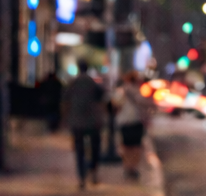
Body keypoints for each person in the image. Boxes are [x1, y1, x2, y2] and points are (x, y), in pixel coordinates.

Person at [63, 58, 105, 189]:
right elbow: (101, 96)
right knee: (95, 147)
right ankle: (93, 172)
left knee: (79, 150)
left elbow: (66, 100)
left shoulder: (73, 83)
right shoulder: (92, 83)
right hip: (92, 121)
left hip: (77, 122)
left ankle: (81, 178)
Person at [114, 70, 153, 179]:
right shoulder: (138, 91)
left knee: (126, 147)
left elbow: (115, 105)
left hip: (124, 122)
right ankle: (133, 167)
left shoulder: (121, 91)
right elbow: (146, 104)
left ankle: (127, 167)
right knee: (136, 146)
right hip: (136, 121)